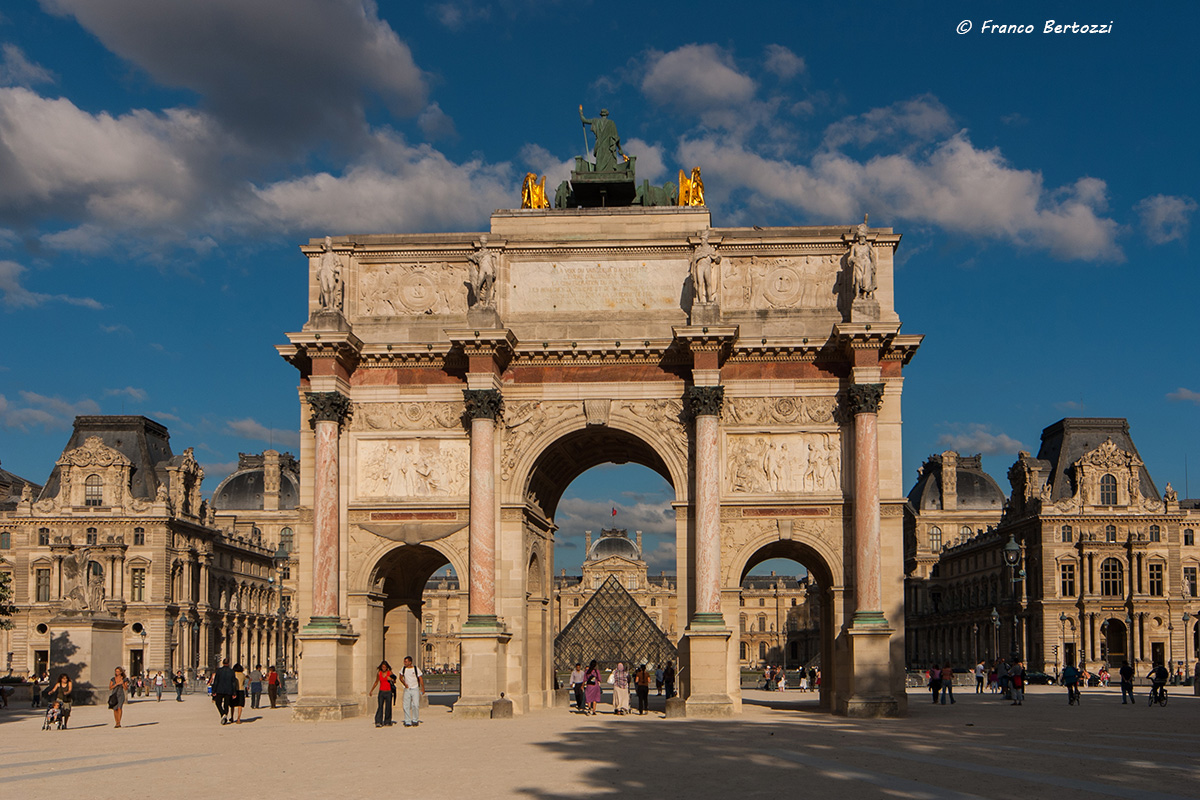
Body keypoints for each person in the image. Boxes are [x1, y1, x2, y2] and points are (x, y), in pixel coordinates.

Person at [579, 105, 626, 172]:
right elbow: (616, 138)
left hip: (599, 146)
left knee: (599, 165)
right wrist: (620, 149)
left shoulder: (595, 121)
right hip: (609, 148)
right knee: (609, 168)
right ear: (607, 114)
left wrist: (580, 112)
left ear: (601, 114)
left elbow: (584, 120)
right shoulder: (611, 123)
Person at [398, 656, 425, 727]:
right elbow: (400, 677)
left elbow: (420, 679)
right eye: (404, 661)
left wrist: (423, 688)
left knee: (415, 704)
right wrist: (404, 684)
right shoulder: (403, 669)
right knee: (406, 705)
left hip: (415, 688)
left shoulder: (416, 669)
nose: (404, 663)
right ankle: (407, 721)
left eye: (406, 661)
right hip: (407, 689)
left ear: (410, 662)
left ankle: (415, 720)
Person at [211, 657, 237, 725]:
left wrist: (213, 691)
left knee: (218, 703)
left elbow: (216, 681)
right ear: (229, 663)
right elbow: (233, 682)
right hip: (228, 690)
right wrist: (234, 692)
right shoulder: (232, 671)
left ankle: (223, 714)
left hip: (220, 689)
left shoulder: (219, 671)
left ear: (222, 663)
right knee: (226, 704)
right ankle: (224, 714)